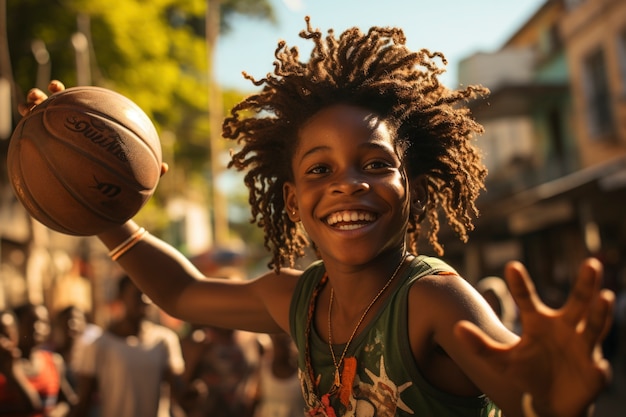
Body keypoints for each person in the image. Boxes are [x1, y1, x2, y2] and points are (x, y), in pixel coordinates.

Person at [21, 17, 615, 417]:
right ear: (291, 201)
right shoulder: (296, 299)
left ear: (408, 186)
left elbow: (526, 393)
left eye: (375, 164)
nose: (348, 184)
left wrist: (553, 396)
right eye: (319, 170)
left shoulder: (433, 299)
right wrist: (91, 203)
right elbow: (179, 291)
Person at [67, 276, 187, 417]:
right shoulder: (99, 344)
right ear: (121, 297)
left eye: (149, 295)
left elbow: (177, 391)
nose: (145, 300)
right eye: (138, 295)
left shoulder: (164, 340)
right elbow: (85, 400)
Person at [0, 304, 77, 416]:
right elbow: (32, 406)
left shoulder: (53, 361)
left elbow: (67, 402)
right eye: (31, 322)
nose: (37, 328)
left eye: (44, 322)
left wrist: (56, 413)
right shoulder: (7, 365)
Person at [254, 333, 305, 417]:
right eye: (280, 342)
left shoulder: (302, 374)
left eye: (288, 341)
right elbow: (254, 398)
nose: (284, 347)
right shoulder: (263, 369)